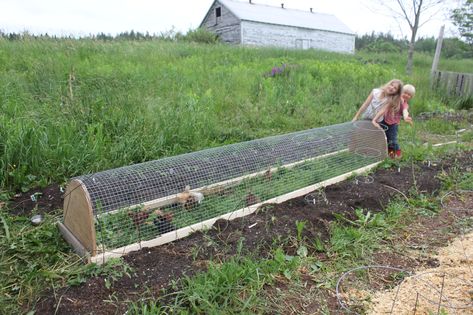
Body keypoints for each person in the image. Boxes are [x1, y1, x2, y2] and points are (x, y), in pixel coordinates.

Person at [372, 84, 415, 159]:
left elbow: (405, 111)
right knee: (382, 137)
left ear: (411, 97)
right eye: (405, 92)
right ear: (400, 92)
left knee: (392, 140)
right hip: (383, 121)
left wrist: (406, 117)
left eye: (409, 95)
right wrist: (375, 119)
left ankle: (397, 155)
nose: (406, 95)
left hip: (393, 125)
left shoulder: (405, 104)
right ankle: (382, 153)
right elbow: (384, 109)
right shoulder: (393, 99)